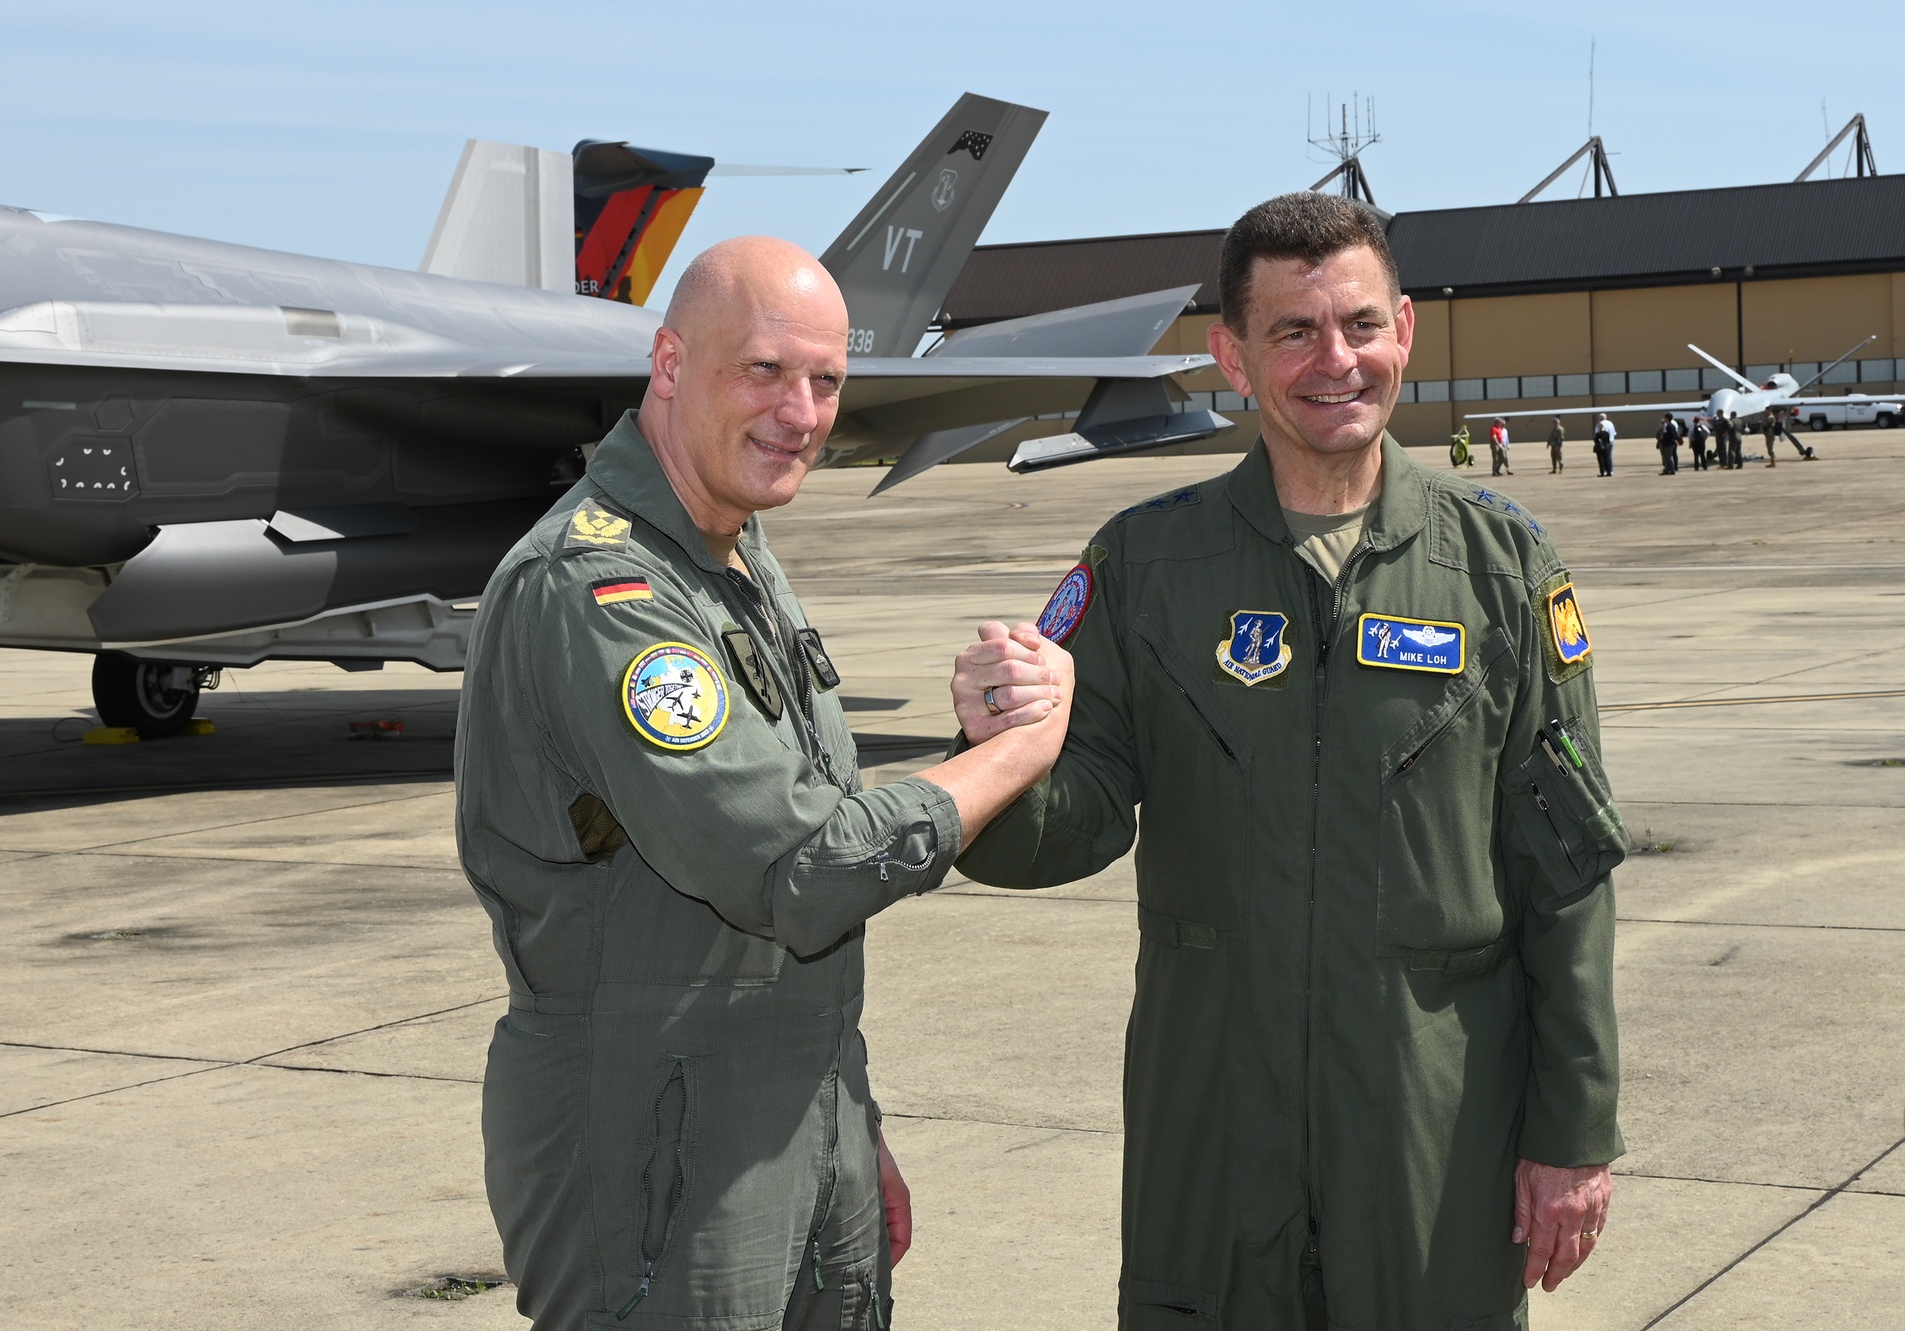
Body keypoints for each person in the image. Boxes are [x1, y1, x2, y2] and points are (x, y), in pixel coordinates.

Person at [951, 193, 1625, 1329]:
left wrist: (1571, 1131)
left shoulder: (1501, 566)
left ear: (1404, 329)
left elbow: (1563, 873)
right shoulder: (1146, 565)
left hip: (1432, 1118)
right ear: (1230, 354)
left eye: (1359, 324)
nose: (1335, 360)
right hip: (1213, 1118)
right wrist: (1000, 746)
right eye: (1292, 332)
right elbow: (1069, 822)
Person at [454, 236, 1077, 1329]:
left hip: (792, 1121)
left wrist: (851, 1125)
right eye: (762, 370)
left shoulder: (732, 552)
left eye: (826, 380)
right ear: (667, 364)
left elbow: (803, 852)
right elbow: (797, 869)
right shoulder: (601, 589)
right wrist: (1011, 754)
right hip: (656, 1151)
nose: (800, 411)